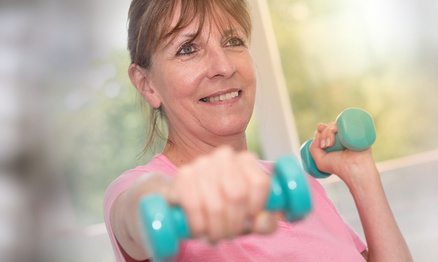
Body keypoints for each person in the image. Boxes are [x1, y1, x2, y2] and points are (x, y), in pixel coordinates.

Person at [102, 0, 413, 261]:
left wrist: (362, 175)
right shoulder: (136, 189)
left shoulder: (298, 187)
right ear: (147, 85)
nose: (223, 65)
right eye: (187, 49)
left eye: (232, 41)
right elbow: (136, 216)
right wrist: (180, 198)